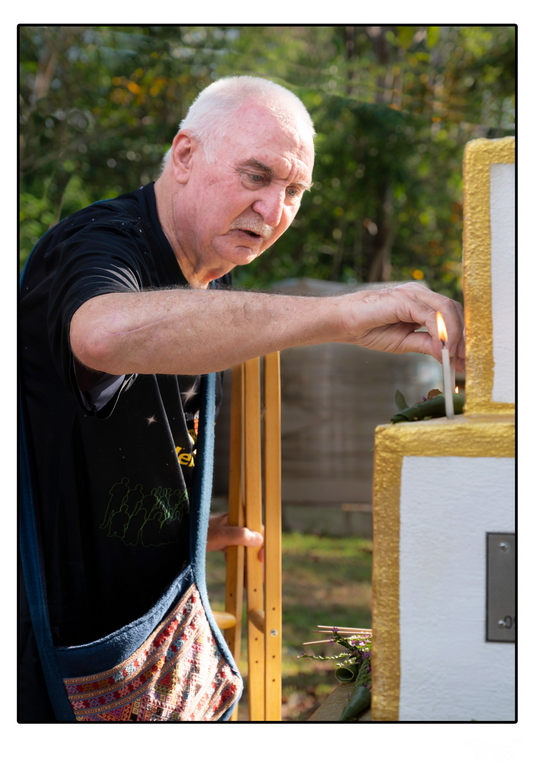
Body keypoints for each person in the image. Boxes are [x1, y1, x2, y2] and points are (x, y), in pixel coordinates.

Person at [18, 75, 465, 722]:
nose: (273, 209)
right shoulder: (99, 243)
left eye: (294, 191)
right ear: (184, 154)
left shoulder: (212, 276)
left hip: (146, 647)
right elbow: (103, 335)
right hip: (45, 666)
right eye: (256, 176)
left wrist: (174, 528)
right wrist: (340, 315)